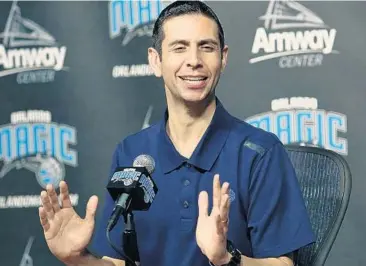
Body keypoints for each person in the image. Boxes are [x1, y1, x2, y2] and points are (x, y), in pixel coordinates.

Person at [38, 1, 315, 266]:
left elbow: (282, 262)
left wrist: (226, 258)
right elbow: (119, 262)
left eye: (206, 47)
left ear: (223, 58)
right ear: (155, 60)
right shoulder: (133, 153)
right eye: (179, 48)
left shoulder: (259, 152)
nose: (194, 61)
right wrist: (76, 259)